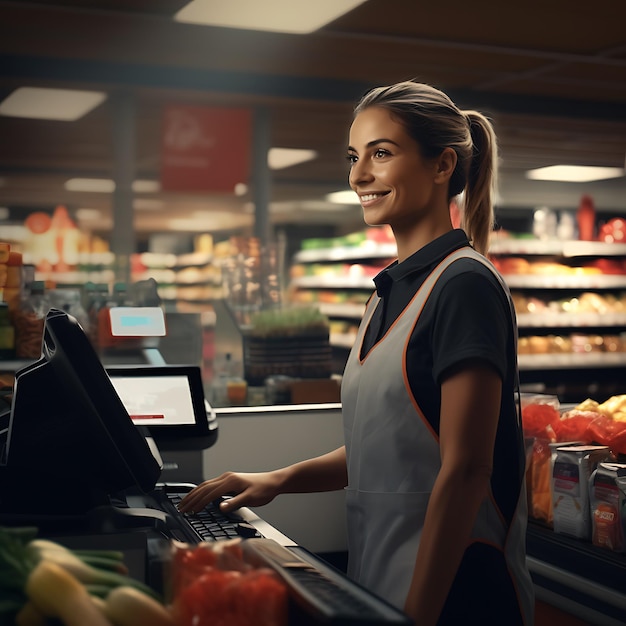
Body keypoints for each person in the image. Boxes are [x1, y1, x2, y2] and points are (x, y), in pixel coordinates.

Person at [179, 81, 535, 625]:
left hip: (454, 596)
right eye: (354, 157)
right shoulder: (387, 294)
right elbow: (395, 448)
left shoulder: (464, 285)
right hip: (383, 584)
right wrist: (277, 479)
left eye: (381, 153)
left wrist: (416, 615)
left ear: (442, 166)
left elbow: (466, 469)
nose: (358, 175)